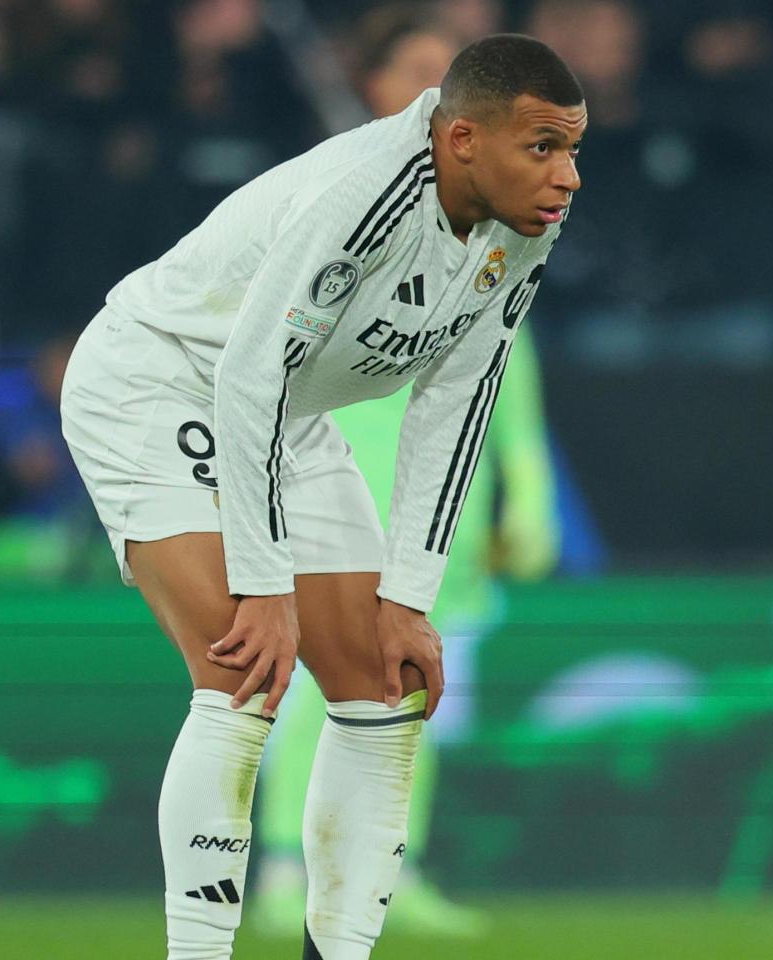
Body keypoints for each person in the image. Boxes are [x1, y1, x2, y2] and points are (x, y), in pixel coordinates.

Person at [59, 33, 584, 960]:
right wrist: (266, 586)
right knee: (241, 672)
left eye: (573, 148)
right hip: (162, 380)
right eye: (543, 146)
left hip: (284, 406)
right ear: (463, 139)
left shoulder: (523, 222)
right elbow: (246, 373)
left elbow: (459, 398)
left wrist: (408, 598)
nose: (567, 176)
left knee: (389, 686)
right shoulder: (367, 195)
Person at [250, 9, 560, 939]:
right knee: (325, 686)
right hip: (340, 485)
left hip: (443, 506)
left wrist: (528, 485)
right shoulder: (334, 196)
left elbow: (507, 360)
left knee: (412, 695)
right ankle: (284, 867)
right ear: (377, 85)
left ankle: (391, 870)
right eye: (418, 68)